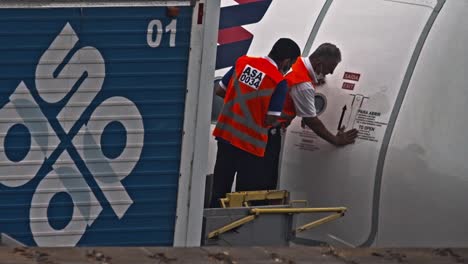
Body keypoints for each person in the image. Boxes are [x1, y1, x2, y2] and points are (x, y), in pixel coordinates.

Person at [210, 38, 301, 207]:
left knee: (219, 188)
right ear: (287, 61)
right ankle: (233, 230)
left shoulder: (242, 62)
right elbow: (271, 119)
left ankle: (209, 227)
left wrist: (238, 104)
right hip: (250, 145)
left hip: (226, 135)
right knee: (244, 195)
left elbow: (220, 90)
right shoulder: (278, 81)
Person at [264, 43, 359, 189]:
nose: (330, 73)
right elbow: (311, 120)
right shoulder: (303, 83)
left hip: (263, 126)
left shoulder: (298, 65)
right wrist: (336, 140)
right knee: (265, 180)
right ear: (319, 64)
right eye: (328, 69)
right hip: (270, 132)